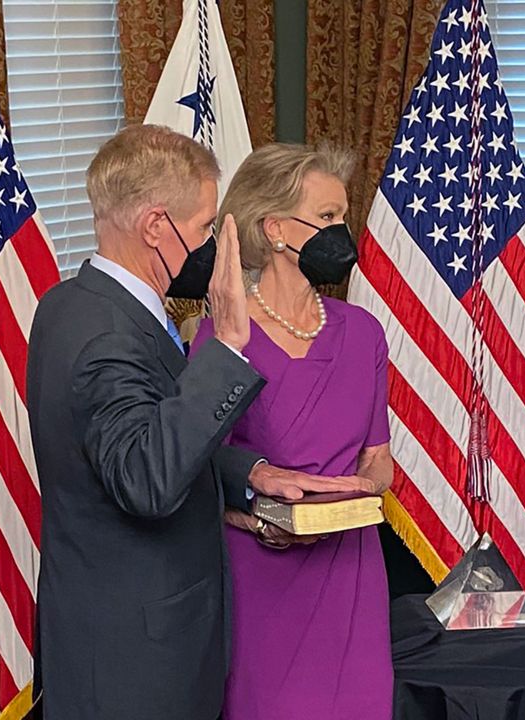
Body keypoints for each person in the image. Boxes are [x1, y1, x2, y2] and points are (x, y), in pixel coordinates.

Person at [26, 124, 359, 720]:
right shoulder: (105, 334)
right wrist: (229, 345)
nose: (212, 243)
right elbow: (147, 479)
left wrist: (253, 473)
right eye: (206, 225)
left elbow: (145, 435)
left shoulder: (72, 301)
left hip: (116, 636)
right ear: (156, 225)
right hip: (137, 660)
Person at [189, 143, 393, 719]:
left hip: (351, 569)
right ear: (275, 228)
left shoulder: (363, 333)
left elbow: (379, 459)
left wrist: (361, 492)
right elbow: (200, 469)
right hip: (263, 575)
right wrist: (259, 519)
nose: (342, 231)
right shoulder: (222, 338)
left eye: (343, 216)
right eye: (327, 217)